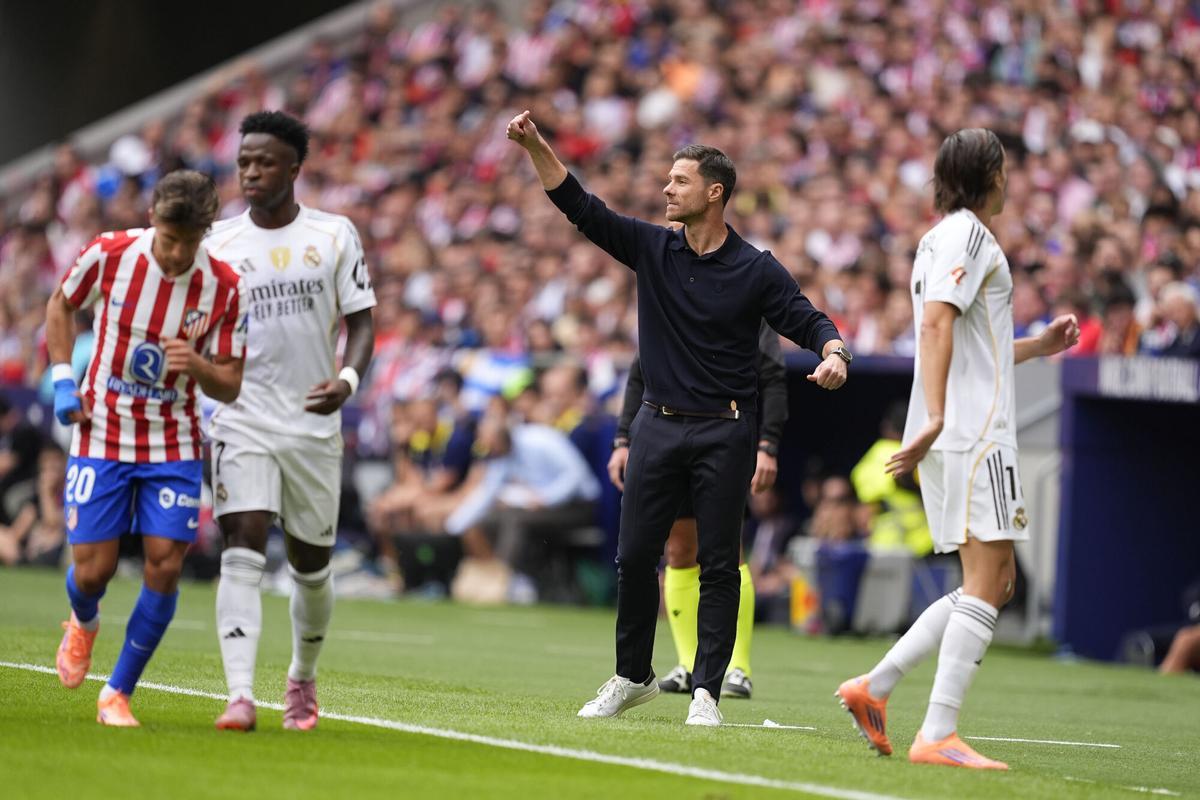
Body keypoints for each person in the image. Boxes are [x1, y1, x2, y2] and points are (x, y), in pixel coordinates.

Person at [507, 110, 849, 727]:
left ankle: (707, 691)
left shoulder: (755, 267)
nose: (666, 189)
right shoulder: (652, 246)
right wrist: (536, 146)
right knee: (635, 556)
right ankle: (631, 675)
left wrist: (834, 352)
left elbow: (806, 317)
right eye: (667, 180)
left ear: (714, 193)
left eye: (680, 181)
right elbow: (579, 206)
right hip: (656, 426)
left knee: (720, 563)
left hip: (725, 428)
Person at [835, 129, 1079, 769]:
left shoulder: (936, 238)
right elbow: (939, 321)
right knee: (990, 580)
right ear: (992, 174)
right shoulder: (969, 233)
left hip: (957, 430)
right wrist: (939, 415)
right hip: (970, 432)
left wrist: (1039, 347)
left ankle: (875, 688)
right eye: (1005, 170)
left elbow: (973, 339)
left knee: (992, 583)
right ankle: (936, 733)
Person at [47, 169, 247, 727]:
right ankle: (83, 622)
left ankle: (117, 693)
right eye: (168, 238)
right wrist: (65, 379)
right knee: (93, 573)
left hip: (173, 442)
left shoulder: (224, 286)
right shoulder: (111, 254)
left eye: (189, 241)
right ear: (153, 221)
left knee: (164, 564)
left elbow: (230, 380)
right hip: (103, 431)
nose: (177, 252)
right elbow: (60, 306)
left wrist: (201, 367)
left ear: (205, 233)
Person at [203, 111, 376, 732]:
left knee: (311, 567)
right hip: (240, 419)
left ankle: (302, 675)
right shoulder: (217, 243)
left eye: (265, 161)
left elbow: (361, 323)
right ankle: (241, 695)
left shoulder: (334, 235)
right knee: (242, 548)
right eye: (244, 161)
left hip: (312, 423)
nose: (251, 171)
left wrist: (348, 382)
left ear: (294, 169)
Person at [608, 319, 788, 700]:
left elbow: (771, 375)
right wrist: (623, 437)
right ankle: (689, 664)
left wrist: (768, 443)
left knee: (725, 551)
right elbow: (643, 370)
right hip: (668, 436)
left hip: (722, 435)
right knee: (677, 551)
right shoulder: (670, 284)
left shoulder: (746, 288)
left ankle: (738, 668)